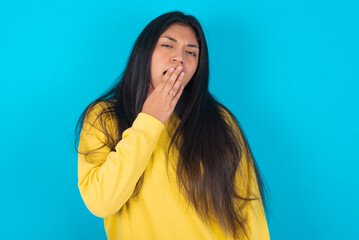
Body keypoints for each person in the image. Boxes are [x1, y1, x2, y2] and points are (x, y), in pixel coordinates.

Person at [75, 11, 270, 240]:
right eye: (168, 46)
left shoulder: (221, 121)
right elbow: (101, 202)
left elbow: (248, 215)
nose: (180, 58)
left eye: (191, 52)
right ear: (145, 53)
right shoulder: (103, 118)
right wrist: (150, 120)